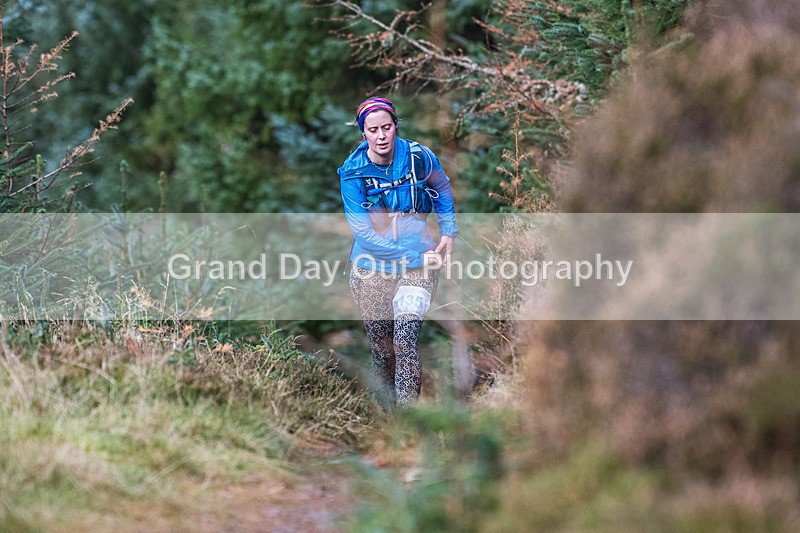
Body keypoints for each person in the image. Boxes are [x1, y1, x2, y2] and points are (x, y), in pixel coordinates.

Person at [338, 96, 458, 409]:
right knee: (383, 350)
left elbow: (442, 188)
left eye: (387, 127)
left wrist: (448, 232)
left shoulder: (419, 156)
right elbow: (363, 233)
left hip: (418, 271)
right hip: (370, 270)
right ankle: (388, 425)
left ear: (395, 126)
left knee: (405, 341)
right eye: (372, 129)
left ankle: (410, 425)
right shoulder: (352, 172)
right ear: (362, 133)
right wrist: (418, 257)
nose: (381, 135)